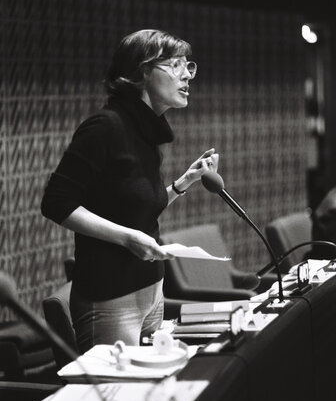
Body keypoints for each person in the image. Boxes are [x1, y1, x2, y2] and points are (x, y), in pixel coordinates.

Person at [41, 29, 219, 352]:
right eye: (175, 65)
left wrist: (183, 183)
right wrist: (126, 238)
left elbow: (136, 207)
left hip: (152, 291)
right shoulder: (105, 127)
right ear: (142, 73)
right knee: (120, 400)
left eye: (188, 65)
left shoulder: (145, 132)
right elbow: (56, 203)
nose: (187, 75)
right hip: (111, 298)